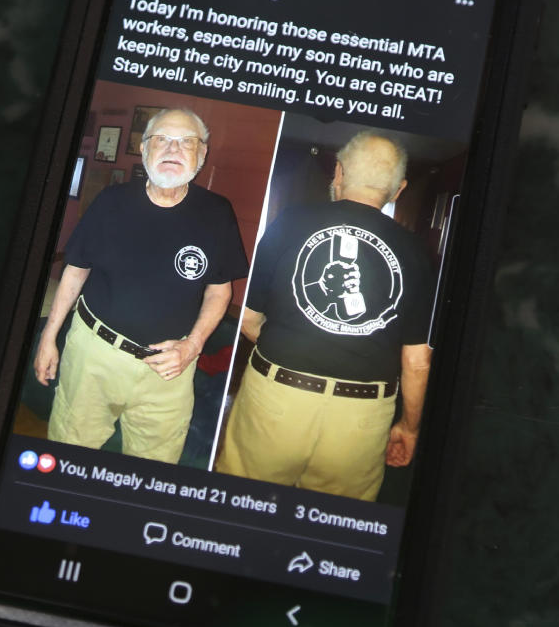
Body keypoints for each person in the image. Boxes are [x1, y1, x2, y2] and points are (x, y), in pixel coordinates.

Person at [216, 131, 434, 501]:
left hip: (277, 400)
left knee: (240, 510)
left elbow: (250, 319)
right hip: (361, 422)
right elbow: (416, 361)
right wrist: (410, 427)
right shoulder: (416, 252)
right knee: (329, 530)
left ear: (338, 172)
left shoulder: (290, 220)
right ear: (398, 190)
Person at [34, 109, 246, 463]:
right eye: (161, 139)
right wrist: (48, 337)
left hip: (169, 371)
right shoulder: (110, 202)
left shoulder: (218, 213)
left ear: (202, 153)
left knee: (153, 471)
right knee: (67, 453)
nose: (172, 149)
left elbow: (219, 290)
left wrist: (192, 347)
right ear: (145, 148)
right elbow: (74, 271)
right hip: (92, 357)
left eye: (186, 142)